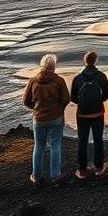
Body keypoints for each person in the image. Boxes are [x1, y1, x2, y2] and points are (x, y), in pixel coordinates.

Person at [22, 53, 70, 184]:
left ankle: (36, 176)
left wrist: (36, 108)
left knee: (39, 146)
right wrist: (59, 109)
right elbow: (66, 99)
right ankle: (55, 174)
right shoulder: (59, 80)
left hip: (39, 118)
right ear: (54, 67)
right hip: (56, 117)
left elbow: (25, 101)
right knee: (55, 145)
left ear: (41, 66)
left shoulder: (33, 81)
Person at [70, 50, 108, 179]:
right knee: (98, 140)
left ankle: (82, 170)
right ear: (95, 61)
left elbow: (73, 97)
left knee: (82, 141)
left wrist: (82, 102)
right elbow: (106, 94)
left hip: (82, 114)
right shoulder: (101, 76)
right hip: (98, 112)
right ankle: (99, 168)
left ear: (85, 61)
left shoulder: (77, 77)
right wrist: (98, 100)